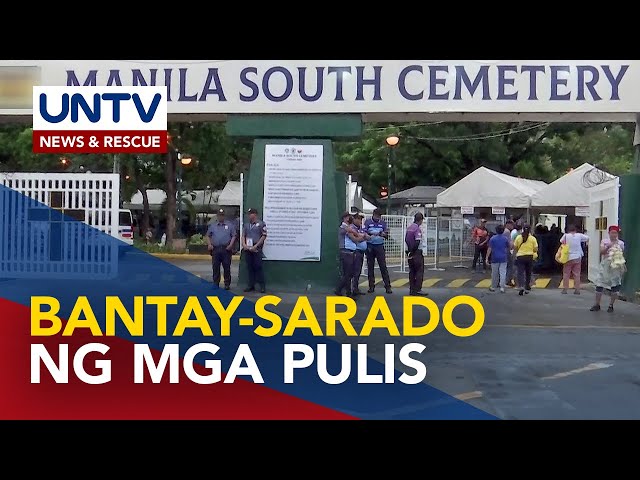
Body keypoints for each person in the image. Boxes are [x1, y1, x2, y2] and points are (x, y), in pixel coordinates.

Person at [590, 225, 626, 313]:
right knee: (600, 283)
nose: (613, 235)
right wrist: (608, 246)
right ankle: (597, 304)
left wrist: (623, 266)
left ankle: (611, 305)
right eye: (612, 233)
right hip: (605, 264)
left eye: (615, 233)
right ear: (609, 233)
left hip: (616, 266)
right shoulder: (605, 241)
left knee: (615, 285)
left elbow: (620, 256)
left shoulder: (621, 243)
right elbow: (602, 252)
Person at [335, 212, 365, 297]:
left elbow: (354, 234)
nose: (350, 218)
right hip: (346, 252)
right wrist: (361, 236)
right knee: (348, 274)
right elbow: (354, 235)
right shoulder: (344, 227)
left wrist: (360, 235)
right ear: (345, 218)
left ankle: (343, 291)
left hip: (350, 253)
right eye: (349, 217)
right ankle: (343, 291)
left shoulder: (347, 227)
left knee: (349, 273)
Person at [206, 208, 237, 290]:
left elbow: (234, 235)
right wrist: (209, 244)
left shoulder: (230, 225)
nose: (221, 217)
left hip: (226, 249)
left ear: (224, 216)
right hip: (215, 249)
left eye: (222, 215)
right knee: (215, 267)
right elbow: (208, 235)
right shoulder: (213, 226)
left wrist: (231, 245)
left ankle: (227, 284)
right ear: (217, 216)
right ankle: (216, 283)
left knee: (226, 267)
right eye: (219, 215)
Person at [364, 208, 392, 294]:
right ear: (373, 214)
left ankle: (388, 286)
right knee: (370, 266)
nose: (378, 218)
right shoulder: (367, 222)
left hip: (380, 246)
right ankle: (371, 286)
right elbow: (364, 232)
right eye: (376, 216)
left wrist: (385, 234)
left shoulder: (383, 223)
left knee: (383, 266)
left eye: (379, 216)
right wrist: (371, 233)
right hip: (370, 246)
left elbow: (387, 234)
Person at [242, 208, 267, 293]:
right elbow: (243, 235)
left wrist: (256, 246)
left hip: (256, 247)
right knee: (250, 267)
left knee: (258, 267)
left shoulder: (261, 224)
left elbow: (263, 236)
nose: (249, 216)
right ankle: (251, 285)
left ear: (255, 214)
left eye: (250, 214)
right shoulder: (246, 225)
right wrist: (244, 244)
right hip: (248, 248)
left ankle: (262, 286)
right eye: (248, 214)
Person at [559, 224, 589, 295]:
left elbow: (561, 241)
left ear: (568, 230)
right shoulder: (579, 235)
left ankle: (565, 289)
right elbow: (587, 238)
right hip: (577, 257)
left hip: (568, 257)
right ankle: (577, 289)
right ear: (575, 230)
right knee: (577, 274)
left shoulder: (566, 236)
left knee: (566, 274)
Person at [405, 212, 427, 296]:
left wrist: (409, 251)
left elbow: (406, 239)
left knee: (412, 271)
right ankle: (418, 289)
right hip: (416, 252)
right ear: (420, 220)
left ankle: (412, 289)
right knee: (419, 271)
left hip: (410, 251)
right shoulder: (417, 229)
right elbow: (417, 241)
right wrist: (414, 251)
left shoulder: (409, 228)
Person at [513, 224, 538, 296]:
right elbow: (535, 249)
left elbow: (515, 247)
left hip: (520, 256)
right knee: (528, 272)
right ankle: (527, 287)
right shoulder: (532, 238)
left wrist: (518, 252)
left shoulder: (518, 237)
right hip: (529, 256)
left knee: (520, 272)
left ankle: (521, 286)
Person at [487, 224, 511, 293]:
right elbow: (509, 246)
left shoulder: (493, 238)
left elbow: (489, 248)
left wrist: (486, 258)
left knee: (494, 273)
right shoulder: (505, 238)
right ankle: (502, 287)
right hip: (503, 257)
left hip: (494, 258)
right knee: (503, 272)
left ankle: (493, 287)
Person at [351, 213, 370, 296]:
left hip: (361, 252)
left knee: (358, 271)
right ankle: (352, 289)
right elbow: (357, 239)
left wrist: (364, 236)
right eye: (358, 219)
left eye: (361, 219)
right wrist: (363, 237)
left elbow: (367, 237)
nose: (360, 221)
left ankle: (356, 288)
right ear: (354, 219)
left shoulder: (361, 229)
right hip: (356, 252)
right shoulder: (352, 228)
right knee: (355, 271)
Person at [503, 220, 515, 287]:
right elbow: (509, 242)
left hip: (503, 251)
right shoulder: (507, 232)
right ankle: (506, 281)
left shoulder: (504, 231)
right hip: (507, 251)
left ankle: (506, 281)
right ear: (508, 224)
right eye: (512, 225)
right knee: (510, 266)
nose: (512, 226)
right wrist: (512, 247)